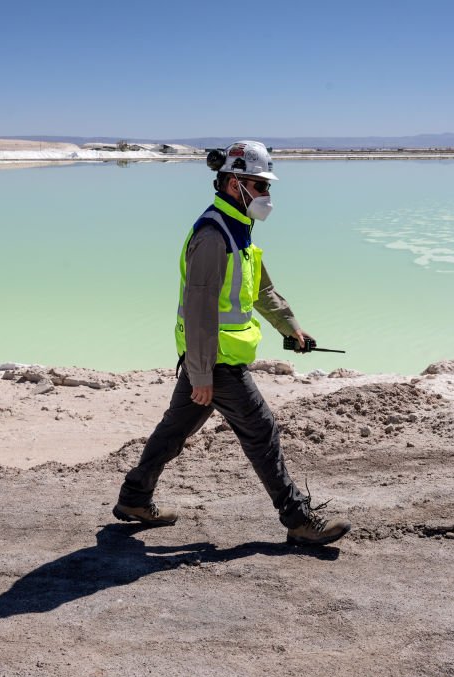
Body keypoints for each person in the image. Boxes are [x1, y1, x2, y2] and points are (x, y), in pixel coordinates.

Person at [113, 140, 351, 546]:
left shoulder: (239, 228)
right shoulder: (213, 234)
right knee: (262, 431)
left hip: (210, 358)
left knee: (174, 430)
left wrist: (290, 327)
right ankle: (297, 519)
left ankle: (135, 497)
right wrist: (202, 372)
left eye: (267, 186)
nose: (267, 195)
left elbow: (261, 288)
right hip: (216, 360)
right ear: (233, 183)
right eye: (259, 186)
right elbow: (200, 307)